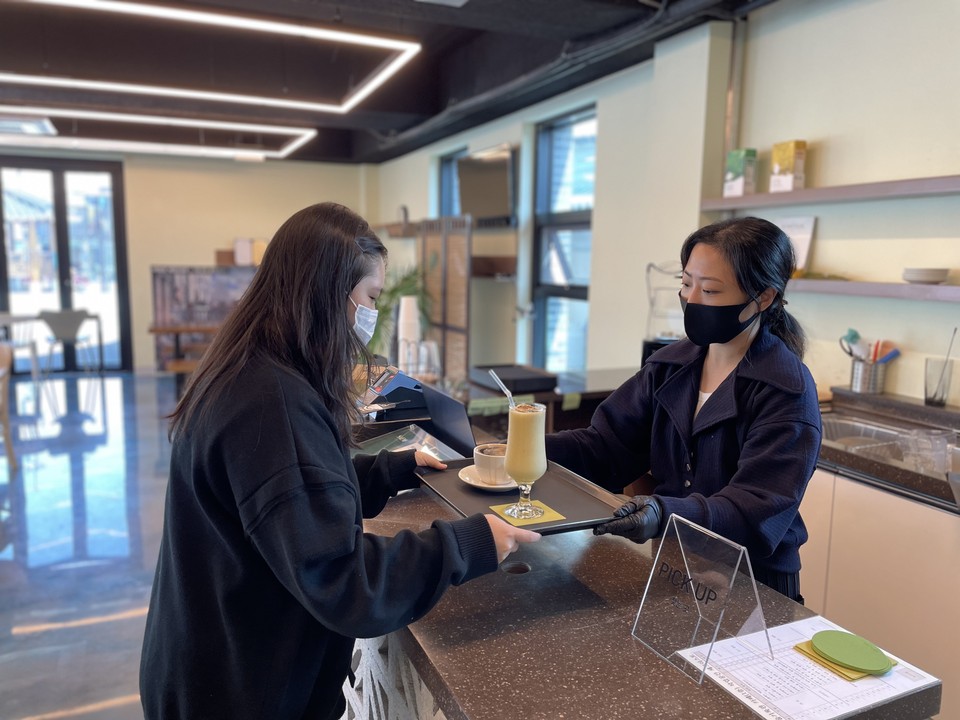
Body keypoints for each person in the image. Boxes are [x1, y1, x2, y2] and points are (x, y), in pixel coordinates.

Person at [140, 202, 540, 720]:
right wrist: (470, 542)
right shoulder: (273, 402)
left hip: (206, 663)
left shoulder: (253, 369)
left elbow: (284, 497)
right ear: (331, 295)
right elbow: (343, 580)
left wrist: (388, 471)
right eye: (371, 298)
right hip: (238, 690)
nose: (372, 317)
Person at [545, 216, 821, 602]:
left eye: (709, 291)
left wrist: (663, 511)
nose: (691, 301)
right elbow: (607, 448)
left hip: (752, 585)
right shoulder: (669, 367)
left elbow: (755, 506)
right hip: (675, 565)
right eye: (686, 284)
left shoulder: (785, 390)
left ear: (764, 298)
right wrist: (530, 452)